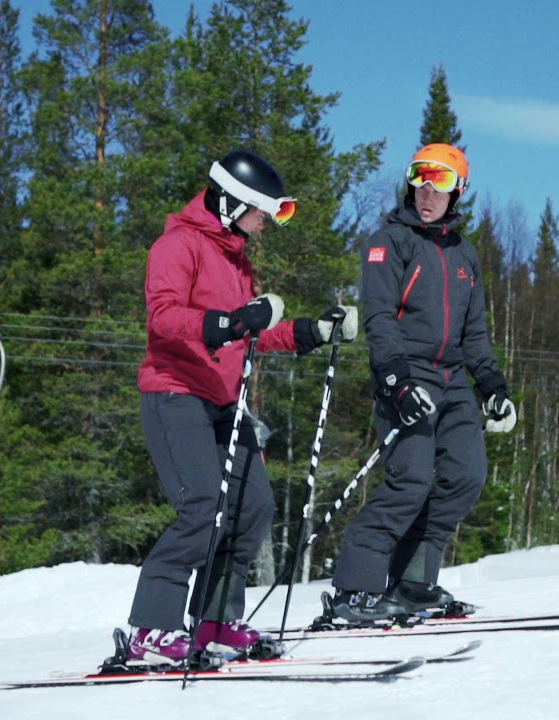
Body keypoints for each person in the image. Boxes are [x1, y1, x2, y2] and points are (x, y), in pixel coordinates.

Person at [126, 149, 357, 666]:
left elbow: (252, 336)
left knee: (253, 507)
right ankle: (151, 629)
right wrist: (228, 323)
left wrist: (309, 332)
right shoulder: (177, 245)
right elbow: (164, 317)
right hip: (174, 392)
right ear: (232, 201)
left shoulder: (236, 259)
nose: (265, 225)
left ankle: (213, 619)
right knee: (203, 507)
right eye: (261, 213)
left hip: (224, 402)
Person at [326, 143, 517, 623]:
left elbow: (475, 333)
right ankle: (354, 591)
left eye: (442, 182)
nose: (429, 191)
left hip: (453, 382)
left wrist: (494, 386)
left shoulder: (465, 255)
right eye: (421, 179)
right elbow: (379, 318)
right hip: (407, 373)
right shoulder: (388, 242)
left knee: (465, 477)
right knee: (410, 479)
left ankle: (412, 582)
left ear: (458, 192)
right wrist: (396, 380)